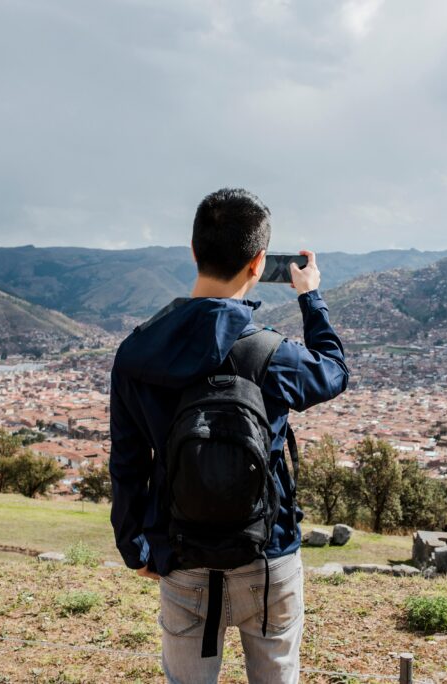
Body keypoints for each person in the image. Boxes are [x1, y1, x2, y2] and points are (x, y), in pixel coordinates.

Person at [109, 188, 349, 683]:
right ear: (258, 263)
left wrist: (135, 548)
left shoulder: (136, 354)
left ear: (194, 251)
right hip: (268, 552)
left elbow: (128, 463)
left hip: (181, 554)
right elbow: (333, 372)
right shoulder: (270, 354)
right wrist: (310, 297)